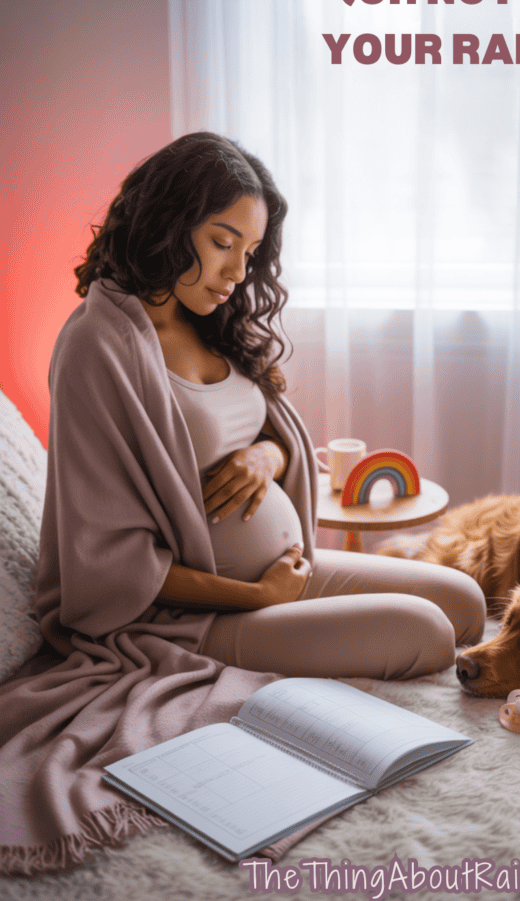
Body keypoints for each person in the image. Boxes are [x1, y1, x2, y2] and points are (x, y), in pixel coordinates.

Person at [40, 131, 485, 680]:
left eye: (249, 253)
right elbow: (107, 560)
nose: (237, 273)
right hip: (194, 614)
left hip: (281, 574)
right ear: (167, 224)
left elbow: (268, 436)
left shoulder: (207, 320)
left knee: (465, 601)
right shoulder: (98, 346)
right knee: (427, 632)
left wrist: (267, 457)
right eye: (222, 243)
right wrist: (257, 596)